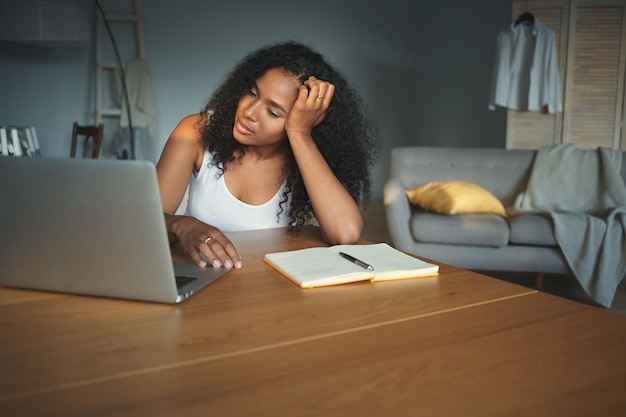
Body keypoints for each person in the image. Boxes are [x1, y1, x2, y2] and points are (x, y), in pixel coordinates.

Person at [156, 41, 379, 270]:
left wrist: (300, 134)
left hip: (269, 289)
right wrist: (182, 226)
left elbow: (345, 233)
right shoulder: (195, 131)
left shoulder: (302, 156)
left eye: (272, 112)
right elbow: (145, 221)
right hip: (200, 277)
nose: (248, 112)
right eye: (251, 92)